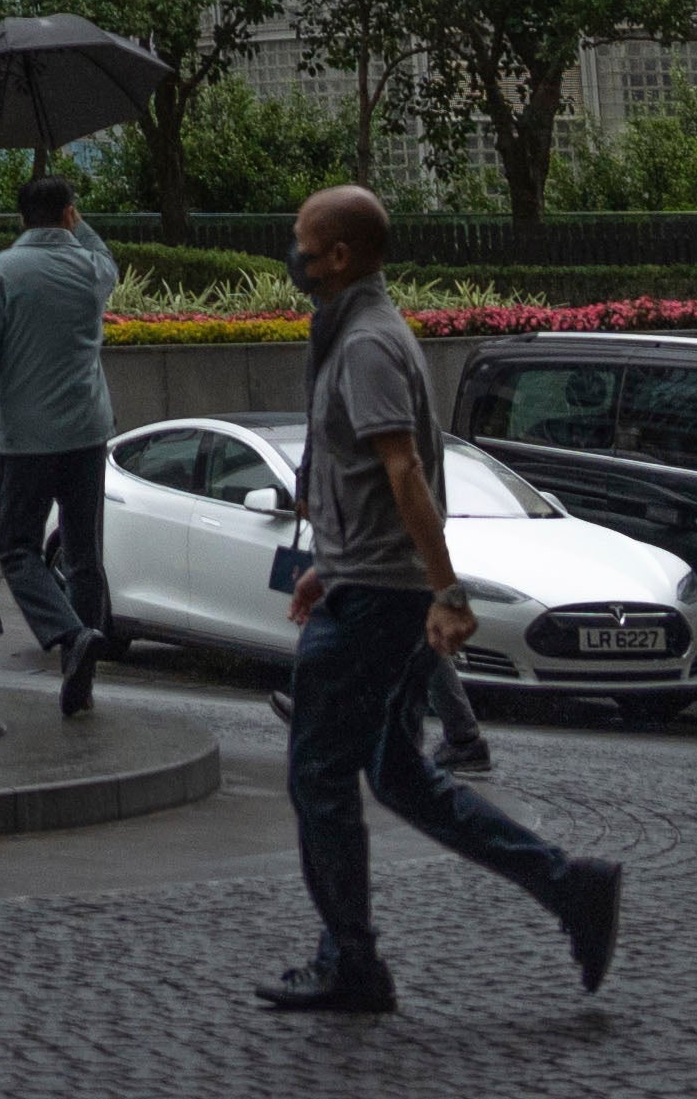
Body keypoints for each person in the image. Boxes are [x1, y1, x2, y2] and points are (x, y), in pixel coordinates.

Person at [260, 185, 621, 1017]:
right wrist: (333, 566)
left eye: (303, 243)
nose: (295, 255)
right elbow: (371, 480)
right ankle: (572, 888)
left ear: (340, 256)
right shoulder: (359, 334)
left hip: (377, 608)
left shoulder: (367, 347)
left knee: (319, 773)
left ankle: (352, 962)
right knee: (398, 775)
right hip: (367, 586)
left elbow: (406, 471)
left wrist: (445, 589)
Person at [0, 166, 120, 708]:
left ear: (20, 218)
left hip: (28, 442)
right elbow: (105, 257)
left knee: (17, 549)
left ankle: (70, 635)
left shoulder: (2, 272)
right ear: (68, 213)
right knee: (84, 556)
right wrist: (78, 227)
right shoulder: (91, 271)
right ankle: (78, 676)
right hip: (88, 434)